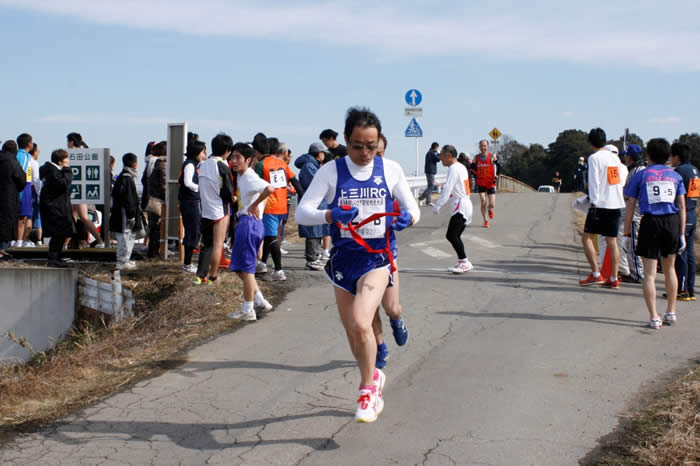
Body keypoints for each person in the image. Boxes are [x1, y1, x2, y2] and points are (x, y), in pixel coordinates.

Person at [296, 107, 419, 423]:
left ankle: (367, 388)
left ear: (379, 142)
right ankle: (375, 377)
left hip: (377, 257)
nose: (364, 153)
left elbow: (413, 209)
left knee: (364, 319)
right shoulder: (331, 172)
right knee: (353, 330)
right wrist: (328, 215)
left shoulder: (390, 169)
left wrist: (407, 218)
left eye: (371, 145)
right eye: (357, 145)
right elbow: (302, 211)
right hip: (343, 260)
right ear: (345, 142)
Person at [623, 138, 686, 328]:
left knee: (649, 274)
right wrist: (681, 233)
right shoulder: (675, 176)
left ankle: (654, 316)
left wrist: (626, 234)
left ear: (648, 156)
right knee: (670, 269)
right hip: (671, 222)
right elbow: (681, 206)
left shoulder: (641, 175)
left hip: (650, 222)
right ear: (668, 156)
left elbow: (630, 205)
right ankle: (671, 312)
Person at [370, 133, 409, 370]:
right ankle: (380, 346)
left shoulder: (391, 173)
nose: (373, 156)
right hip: (359, 253)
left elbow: (408, 207)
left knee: (391, 306)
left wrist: (407, 216)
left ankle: (396, 319)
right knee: (368, 306)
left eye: (379, 152)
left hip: (386, 249)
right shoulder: (352, 175)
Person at [227, 143, 275, 321]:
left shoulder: (249, 176)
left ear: (248, 159)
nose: (234, 161)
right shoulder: (242, 177)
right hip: (247, 223)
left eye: (238, 157)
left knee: (246, 270)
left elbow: (270, 188)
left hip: (249, 223)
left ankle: (248, 309)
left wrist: (254, 205)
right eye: (232, 157)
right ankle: (260, 300)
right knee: (239, 267)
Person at [579, 128, 626, 289]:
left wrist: (593, 201)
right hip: (615, 202)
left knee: (587, 238)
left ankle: (596, 274)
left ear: (590, 142)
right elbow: (617, 180)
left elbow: (594, 182)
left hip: (600, 204)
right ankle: (614, 277)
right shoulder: (615, 158)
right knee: (612, 241)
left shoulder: (594, 158)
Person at [257, 140, 303, 281]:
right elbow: (295, 181)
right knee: (269, 235)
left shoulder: (261, 165)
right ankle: (262, 263)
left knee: (271, 238)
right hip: (282, 206)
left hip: (269, 206)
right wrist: (304, 197)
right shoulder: (282, 164)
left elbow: (255, 184)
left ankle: (278, 270)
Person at [195, 134, 234, 285]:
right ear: (227, 151)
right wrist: (233, 199)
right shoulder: (223, 166)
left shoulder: (203, 164)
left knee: (206, 244)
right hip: (219, 209)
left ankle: (200, 276)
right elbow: (229, 191)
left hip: (205, 209)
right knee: (218, 244)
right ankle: (213, 277)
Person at [432, 143, 474, 274]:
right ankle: (462, 261)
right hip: (464, 203)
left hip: (461, 205)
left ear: (449, 156)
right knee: (455, 235)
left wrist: (438, 204)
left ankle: (464, 261)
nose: (440, 160)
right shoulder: (460, 167)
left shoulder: (453, 168)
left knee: (451, 235)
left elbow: (448, 188)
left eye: (442, 157)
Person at [670, 142, 698, 301]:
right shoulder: (695, 170)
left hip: (683, 214)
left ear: (677, 157)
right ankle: (690, 288)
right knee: (689, 255)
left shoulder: (680, 171)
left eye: (671, 156)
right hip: (692, 213)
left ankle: (681, 289)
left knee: (680, 252)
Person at [67, 132, 104, 248]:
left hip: (78, 190)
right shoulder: (85, 153)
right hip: (79, 189)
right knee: (73, 216)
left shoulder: (76, 154)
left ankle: (99, 241)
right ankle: (69, 242)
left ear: (72, 142)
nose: (67, 144)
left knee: (83, 216)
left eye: (68, 141)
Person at [295, 142, 329, 271]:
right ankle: (311, 260)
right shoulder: (309, 166)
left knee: (317, 231)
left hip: (318, 203)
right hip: (312, 203)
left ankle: (315, 256)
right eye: (323, 153)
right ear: (319, 154)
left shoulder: (313, 165)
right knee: (313, 232)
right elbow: (315, 185)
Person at [40, 149, 75, 267]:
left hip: (55, 206)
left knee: (60, 232)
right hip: (55, 207)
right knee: (58, 232)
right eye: (66, 160)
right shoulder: (54, 172)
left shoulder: (49, 170)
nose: (68, 162)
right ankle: (54, 258)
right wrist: (68, 170)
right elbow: (64, 183)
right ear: (60, 162)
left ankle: (56, 257)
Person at [619, 144, 646, 284]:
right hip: (637, 210)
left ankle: (638, 273)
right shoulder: (638, 169)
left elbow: (628, 193)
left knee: (633, 243)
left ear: (629, 157)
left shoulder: (636, 171)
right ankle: (636, 271)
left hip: (635, 211)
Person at [110, 153, 141, 270]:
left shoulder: (122, 177)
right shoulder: (127, 178)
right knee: (126, 237)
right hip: (125, 214)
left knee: (126, 237)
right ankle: (122, 261)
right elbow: (129, 199)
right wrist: (131, 215)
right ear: (134, 164)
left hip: (121, 213)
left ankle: (124, 260)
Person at [179, 141, 206, 273]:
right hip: (189, 201)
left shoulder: (194, 164)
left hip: (191, 200)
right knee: (192, 231)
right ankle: (187, 265)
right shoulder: (190, 164)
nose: (204, 154)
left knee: (194, 230)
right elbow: (188, 182)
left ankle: (187, 264)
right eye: (203, 152)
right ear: (196, 153)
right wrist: (201, 189)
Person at [0, 141, 26, 260]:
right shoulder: (12, 162)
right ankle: (3, 252)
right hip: (8, 198)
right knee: (7, 226)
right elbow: (21, 180)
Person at [146, 141, 167, 257]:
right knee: (157, 227)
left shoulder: (155, 163)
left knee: (155, 227)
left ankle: (153, 251)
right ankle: (154, 252)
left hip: (154, 198)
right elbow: (164, 185)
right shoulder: (163, 164)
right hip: (159, 201)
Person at [472, 140, 498, 227]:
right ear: (479, 147)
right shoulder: (477, 157)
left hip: (490, 183)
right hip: (481, 183)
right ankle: (485, 220)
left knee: (492, 204)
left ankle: (490, 209)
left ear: (488, 146)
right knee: (483, 201)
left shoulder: (492, 157)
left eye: (485, 146)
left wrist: (496, 175)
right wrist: (473, 163)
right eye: (481, 146)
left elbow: (498, 166)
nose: (483, 147)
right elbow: (472, 169)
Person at [27, 143, 42, 246]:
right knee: (35, 217)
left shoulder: (24, 160)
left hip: (24, 189)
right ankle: (38, 239)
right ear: (35, 151)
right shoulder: (34, 163)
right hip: (32, 190)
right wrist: (39, 194)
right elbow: (36, 180)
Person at [418, 142, 440, 206]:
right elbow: (438, 159)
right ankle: (420, 198)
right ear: (436, 147)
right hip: (430, 171)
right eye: (437, 147)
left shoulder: (431, 152)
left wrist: (437, 153)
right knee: (431, 186)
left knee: (430, 186)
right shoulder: (431, 153)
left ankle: (428, 201)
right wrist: (438, 153)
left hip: (430, 171)